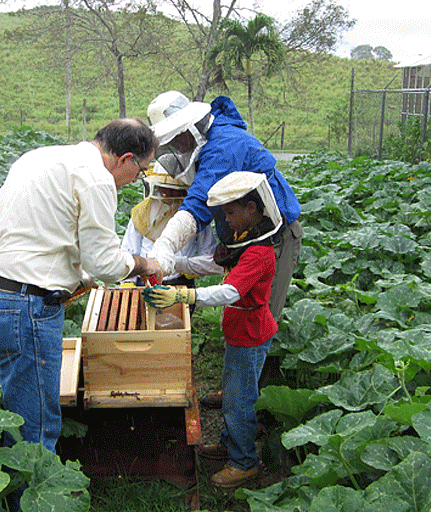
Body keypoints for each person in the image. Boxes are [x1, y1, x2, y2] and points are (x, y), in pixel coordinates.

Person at [0, 118, 161, 455]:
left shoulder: (40, 158)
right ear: (125, 159)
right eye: (141, 170)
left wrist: (76, 278)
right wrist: (143, 263)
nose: (136, 179)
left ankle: (7, 488)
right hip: (24, 310)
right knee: (36, 429)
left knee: (15, 412)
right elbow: (105, 263)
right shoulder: (97, 180)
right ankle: (37, 497)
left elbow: (36, 231)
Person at [145, 91, 303, 406]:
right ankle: (237, 392)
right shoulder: (214, 141)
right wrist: (177, 264)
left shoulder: (224, 147)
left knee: (259, 321)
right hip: (244, 237)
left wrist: (164, 251)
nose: (177, 148)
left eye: (177, 140)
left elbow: (198, 205)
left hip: (275, 240)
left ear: (191, 128)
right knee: (243, 319)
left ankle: (250, 406)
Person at [143, 171, 280, 489]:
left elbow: (229, 292)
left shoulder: (260, 252)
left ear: (251, 208)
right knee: (236, 389)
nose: (227, 219)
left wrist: (183, 294)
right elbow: (216, 263)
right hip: (242, 329)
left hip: (250, 333)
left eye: (231, 212)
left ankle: (244, 462)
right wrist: (177, 264)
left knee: (238, 399)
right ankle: (227, 443)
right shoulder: (246, 240)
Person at [120, 161, 223, 289]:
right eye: (165, 187)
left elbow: (208, 253)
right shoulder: (142, 213)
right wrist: (127, 282)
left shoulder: (194, 213)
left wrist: (189, 267)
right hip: (145, 282)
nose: (168, 192)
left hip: (180, 282)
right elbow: (129, 250)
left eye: (173, 189)